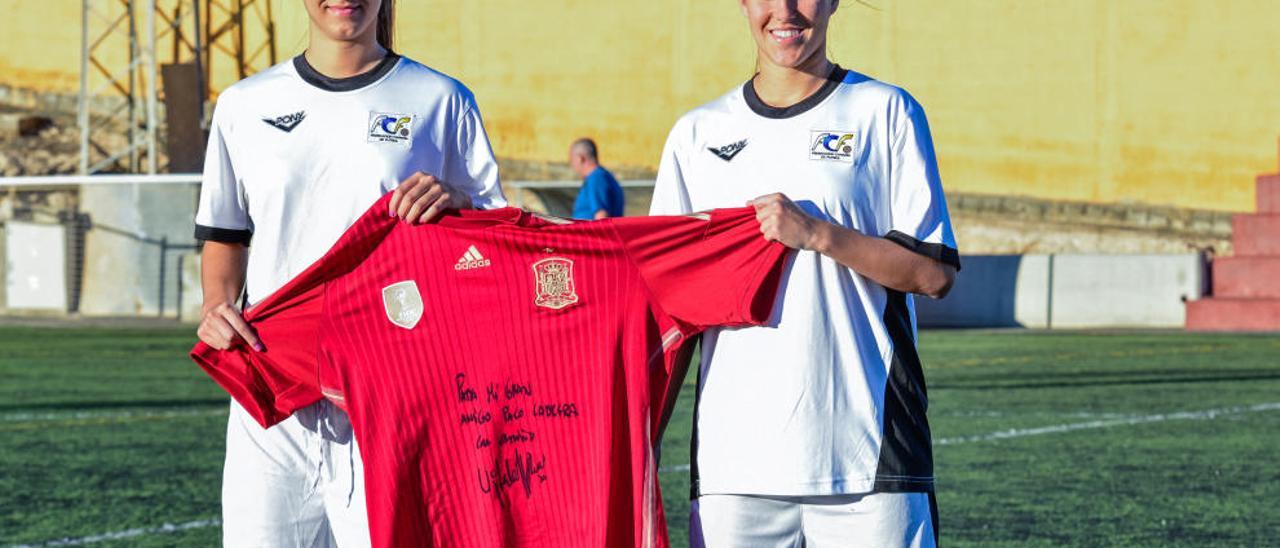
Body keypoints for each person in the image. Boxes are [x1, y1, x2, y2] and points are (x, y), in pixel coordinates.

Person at [192, 0, 505, 545]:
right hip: (273, 388)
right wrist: (215, 306)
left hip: (396, 390)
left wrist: (455, 199)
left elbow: (496, 235)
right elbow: (225, 233)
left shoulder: (440, 99)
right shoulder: (244, 105)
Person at [649, 0, 960, 546]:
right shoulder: (696, 135)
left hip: (870, 466)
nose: (784, 11)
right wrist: (645, 440)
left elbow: (933, 275)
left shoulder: (884, 110)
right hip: (732, 471)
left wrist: (820, 235)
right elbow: (668, 312)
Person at [568, 137, 625, 219]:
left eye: (571, 160)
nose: (571, 165)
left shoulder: (596, 179)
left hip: (593, 231)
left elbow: (601, 216)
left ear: (580, 158)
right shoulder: (603, 176)